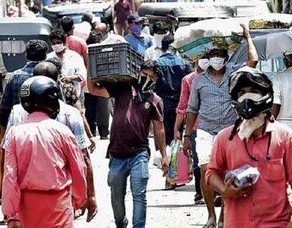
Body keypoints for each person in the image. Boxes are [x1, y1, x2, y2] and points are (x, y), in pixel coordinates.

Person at [206, 66, 292, 227]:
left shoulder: (284, 135)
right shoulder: (225, 138)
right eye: (242, 93)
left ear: (264, 95)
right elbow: (212, 173)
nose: (247, 97)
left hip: (276, 223)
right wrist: (225, 190)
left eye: (253, 90)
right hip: (237, 223)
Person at [183, 24, 258, 228]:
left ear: (225, 57)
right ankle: (210, 215)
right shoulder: (198, 80)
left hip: (229, 131)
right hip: (205, 130)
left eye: (220, 54)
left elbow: (253, 61)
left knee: (227, 174)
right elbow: (191, 110)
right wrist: (186, 137)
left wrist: (248, 37)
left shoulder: (234, 74)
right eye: (213, 55)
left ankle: (225, 214)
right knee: (206, 170)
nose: (216, 58)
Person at [4, 61, 98, 222]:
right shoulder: (63, 131)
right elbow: (79, 165)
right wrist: (81, 198)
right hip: (59, 206)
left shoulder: (14, 132)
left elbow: (9, 174)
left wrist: (10, 213)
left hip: (26, 208)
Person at [88, 66, 169, 228]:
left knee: (139, 194)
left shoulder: (154, 100)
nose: (146, 78)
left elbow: (159, 129)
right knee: (116, 194)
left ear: (155, 81)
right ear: (137, 73)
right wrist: (91, 66)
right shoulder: (121, 88)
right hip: (117, 153)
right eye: (144, 74)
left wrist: (164, 155)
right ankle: (120, 222)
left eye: (151, 77)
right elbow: (93, 89)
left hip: (139, 153)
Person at [174, 57, 209, 203]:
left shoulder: (223, 78)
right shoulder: (189, 80)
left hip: (216, 125)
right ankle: (200, 193)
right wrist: (178, 128)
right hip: (195, 126)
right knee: (198, 160)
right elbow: (183, 107)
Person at [0, 40, 48, 127]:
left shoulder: (15, 76)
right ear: (45, 56)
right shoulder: (50, 75)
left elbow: (4, 110)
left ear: (26, 55)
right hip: (46, 127)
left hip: (19, 127)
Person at [47, 29, 87, 100]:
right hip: (54, 96)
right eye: (53, 43)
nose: (56, 45)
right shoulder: (48, 57)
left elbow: (82, 74)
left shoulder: (74, 56)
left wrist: (71, 78)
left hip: (73, 96)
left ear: (64, 42)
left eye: (58, 42)